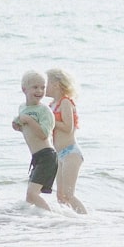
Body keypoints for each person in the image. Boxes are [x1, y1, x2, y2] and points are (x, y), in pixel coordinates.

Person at [12, 70, 57, 211]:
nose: (39, 91)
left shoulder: (44, 111)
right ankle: (36, 223)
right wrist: (18, 126)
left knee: (32, 194)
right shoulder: (22, 107)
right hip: (36, 157)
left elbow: (44, 134)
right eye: (35, 87)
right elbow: (26, 129)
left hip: (47, 156)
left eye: (43, 87)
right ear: (24, 89)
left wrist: (30, 120)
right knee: (30, 198)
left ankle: (53, 218)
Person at [46, 68, 87, 214]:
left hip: (71, 153)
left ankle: (87, 221)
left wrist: (50, 120)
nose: (44, 87)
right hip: (58, 155)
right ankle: (70, 223)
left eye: (47, 83)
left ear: (56, 84)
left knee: (69, 195)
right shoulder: (51, 105)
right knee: (60, 196)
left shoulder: (65, 103)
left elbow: (68, 128)